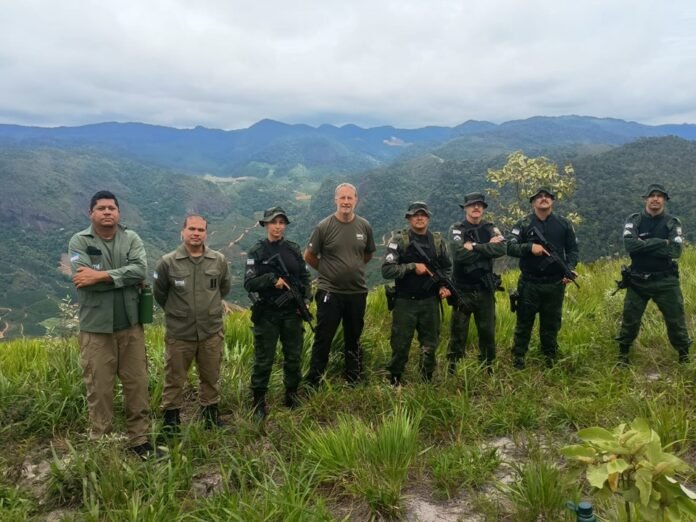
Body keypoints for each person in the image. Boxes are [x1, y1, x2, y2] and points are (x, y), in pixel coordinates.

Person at [68, 190, 153, 458]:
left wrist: (100, 276)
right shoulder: (79, 241)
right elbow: (82, 280)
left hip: (131, 325)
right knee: (99, 388)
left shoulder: (131, 238)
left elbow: (140, 270)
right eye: (101, 208)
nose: (107, 212)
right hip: (96, 330)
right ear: (91, 213)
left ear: (118, 212)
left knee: (137, 384)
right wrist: (122, 279)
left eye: (111, 208)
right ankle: (102, 444)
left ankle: (139, 440)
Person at [153, 214, 231, 433]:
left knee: (211, 375)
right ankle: (171, 422)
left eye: (201, 230)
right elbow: (160, 294)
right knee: (174, 377)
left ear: (206, 233)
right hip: (180, 333)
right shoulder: (167, 262)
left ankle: (210, 418)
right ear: (183, 231)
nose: (196, 233)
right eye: (192, 229)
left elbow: (223, 289)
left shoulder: (218, 260)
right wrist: (179, 312)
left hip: (210, 331)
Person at [303, 182, 376, 386]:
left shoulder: (364, 226)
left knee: (354, 337)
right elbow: (309, 255)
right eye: (342, 198)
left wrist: (353, 268)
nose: (346, 202)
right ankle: (314, 382)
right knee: (323, 337)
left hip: (356, 292)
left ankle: (353, 378)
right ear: (335, 200)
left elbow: (368, 253)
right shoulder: (324, 226)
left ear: (356, 200)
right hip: (330, 292)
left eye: (349, 198)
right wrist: (328, 271)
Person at [244, 207, 311, 420]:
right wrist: (271, 280)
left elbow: (305, 277)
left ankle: (291, 394)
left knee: (293, 355)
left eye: (281, 223)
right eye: (274, 222)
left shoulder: (293, 249)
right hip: (267, 314)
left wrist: (306, 301)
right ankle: (258, 401)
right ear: (266, 224)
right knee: (264, 358)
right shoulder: (256, 251)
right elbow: (249, 283)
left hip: (292, 312)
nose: (278, 226)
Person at [615, 184, 691, 365]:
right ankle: (623, 356)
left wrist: (644, 244)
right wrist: (662, 242)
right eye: (652, 195)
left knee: (676, 320)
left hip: (666, 281)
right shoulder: (634, 220)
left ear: (664, 200)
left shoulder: (672, 222)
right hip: (638, 280)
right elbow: (630, 245)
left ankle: (684, 356)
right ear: (646, 199)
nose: (655, 199)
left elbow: (675, 251)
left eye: (659, 196)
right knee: (630, 319)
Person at [507, 187, 579, 369]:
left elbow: (572, 250)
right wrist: (529, 247)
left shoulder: (564, 224)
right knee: (524, 323)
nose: (543, 198)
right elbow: (509, 247)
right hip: (529, 283)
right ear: (533, 202)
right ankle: (518, 358)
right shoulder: (523, 224)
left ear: (552, 201)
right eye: (539, 197)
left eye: (547, 196)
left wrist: (570, 269)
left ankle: (549, 357)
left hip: (555, 283)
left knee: (551, 323)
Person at [382, 202, 451, 384]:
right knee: (400, 344)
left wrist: (444, 286)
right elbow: (387, 270)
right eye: (415, 215)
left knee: (430, 344)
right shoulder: (399, 241)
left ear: (428, 217)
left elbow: (446, 268)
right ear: (409, 218)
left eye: (423, 215)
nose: (419, 218)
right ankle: (395, 379)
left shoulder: (437, 242)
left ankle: (427, 380)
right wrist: (412, 267)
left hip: (430, 301)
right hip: (405, 302)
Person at [447, 193, 506, 371]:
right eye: (472, 205)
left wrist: (474, 246)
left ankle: (488, 366)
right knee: (458, 332)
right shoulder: (457, 229)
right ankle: (453, 367)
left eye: (480, 205)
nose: (476, 207)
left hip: (485, 289)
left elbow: (502, 248)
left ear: (483, 208)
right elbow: (459, 255)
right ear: (465, 208)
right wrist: (488, 247)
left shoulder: (490, 228)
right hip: (462, 290)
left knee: (487, 331)